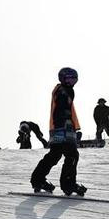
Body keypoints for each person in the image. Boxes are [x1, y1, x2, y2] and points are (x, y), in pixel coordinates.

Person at [30, 67, 87, 196]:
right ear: (63, 78)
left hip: (58, 128)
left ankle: (37, 180)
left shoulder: (62, 90)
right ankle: (68, 185)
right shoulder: (63, 91)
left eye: (74, 79)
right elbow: (61, 110)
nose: (72, 82)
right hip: (63, 129)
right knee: (72, 155)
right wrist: (67, 126)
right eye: (70, 78)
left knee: (54, 155)